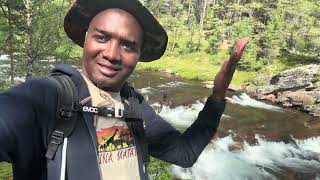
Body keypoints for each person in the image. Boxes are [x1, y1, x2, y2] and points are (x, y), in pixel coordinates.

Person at [0, 0, 248, 180]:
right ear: (85, 38)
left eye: (128, 46)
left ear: (139, 55)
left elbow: (184, 153)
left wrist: (217, 97)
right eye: (102, 37)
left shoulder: (133, 107)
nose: (111, 54)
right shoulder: (46, 97)